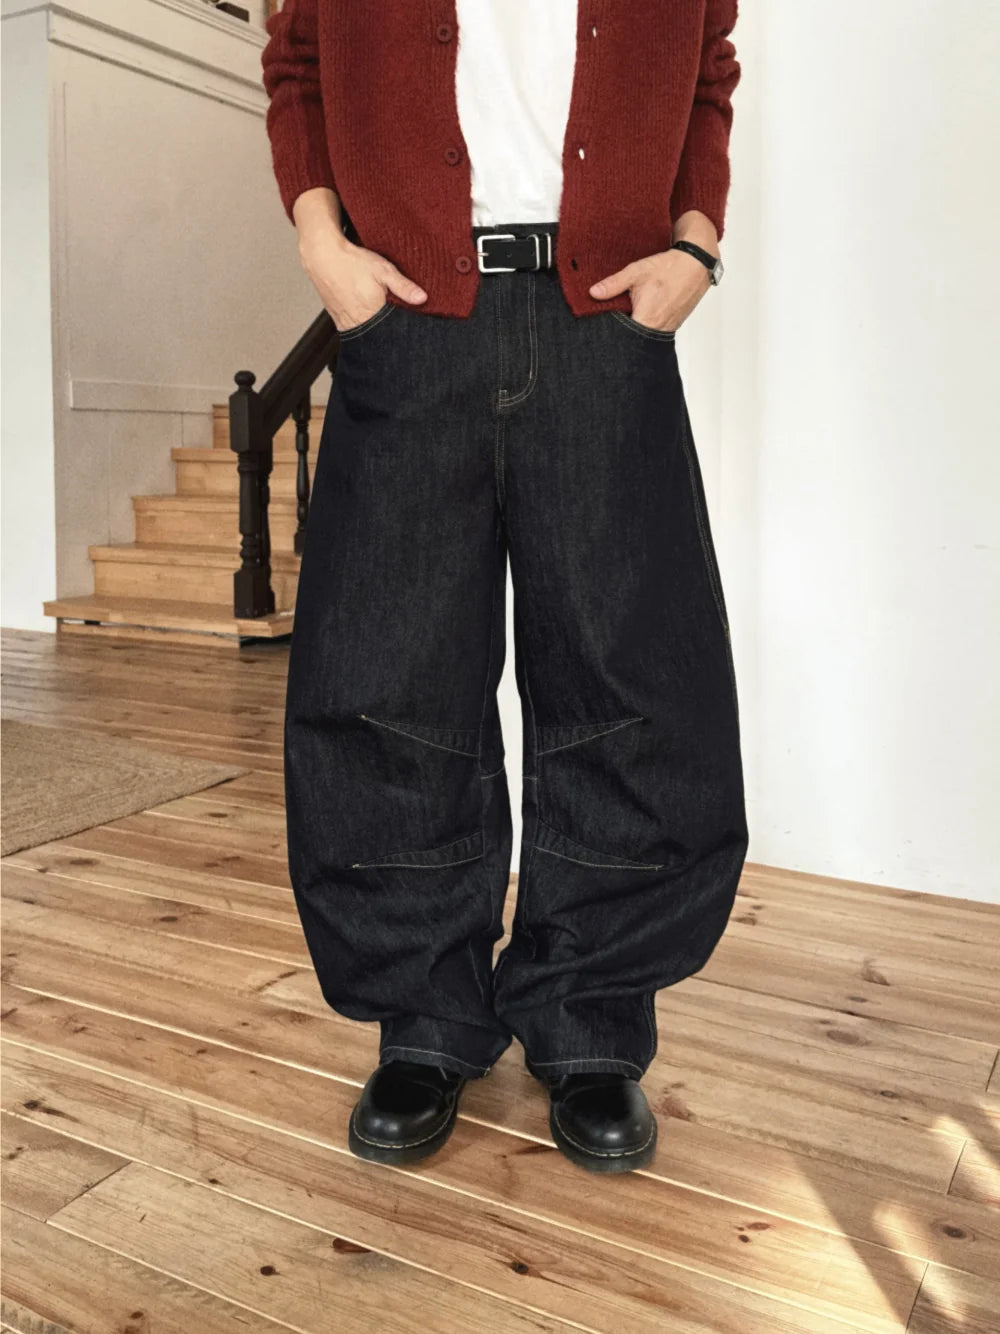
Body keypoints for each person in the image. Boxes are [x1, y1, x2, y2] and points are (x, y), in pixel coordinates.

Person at [261, 0, 748, 1175]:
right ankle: (423, 1013)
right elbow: (298, 61)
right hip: (407, 317)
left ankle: (590, 1017)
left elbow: (707, 72)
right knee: (387, 675)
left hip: (605, 320)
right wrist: (322, 243)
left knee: (627, 675)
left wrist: (694, 245)